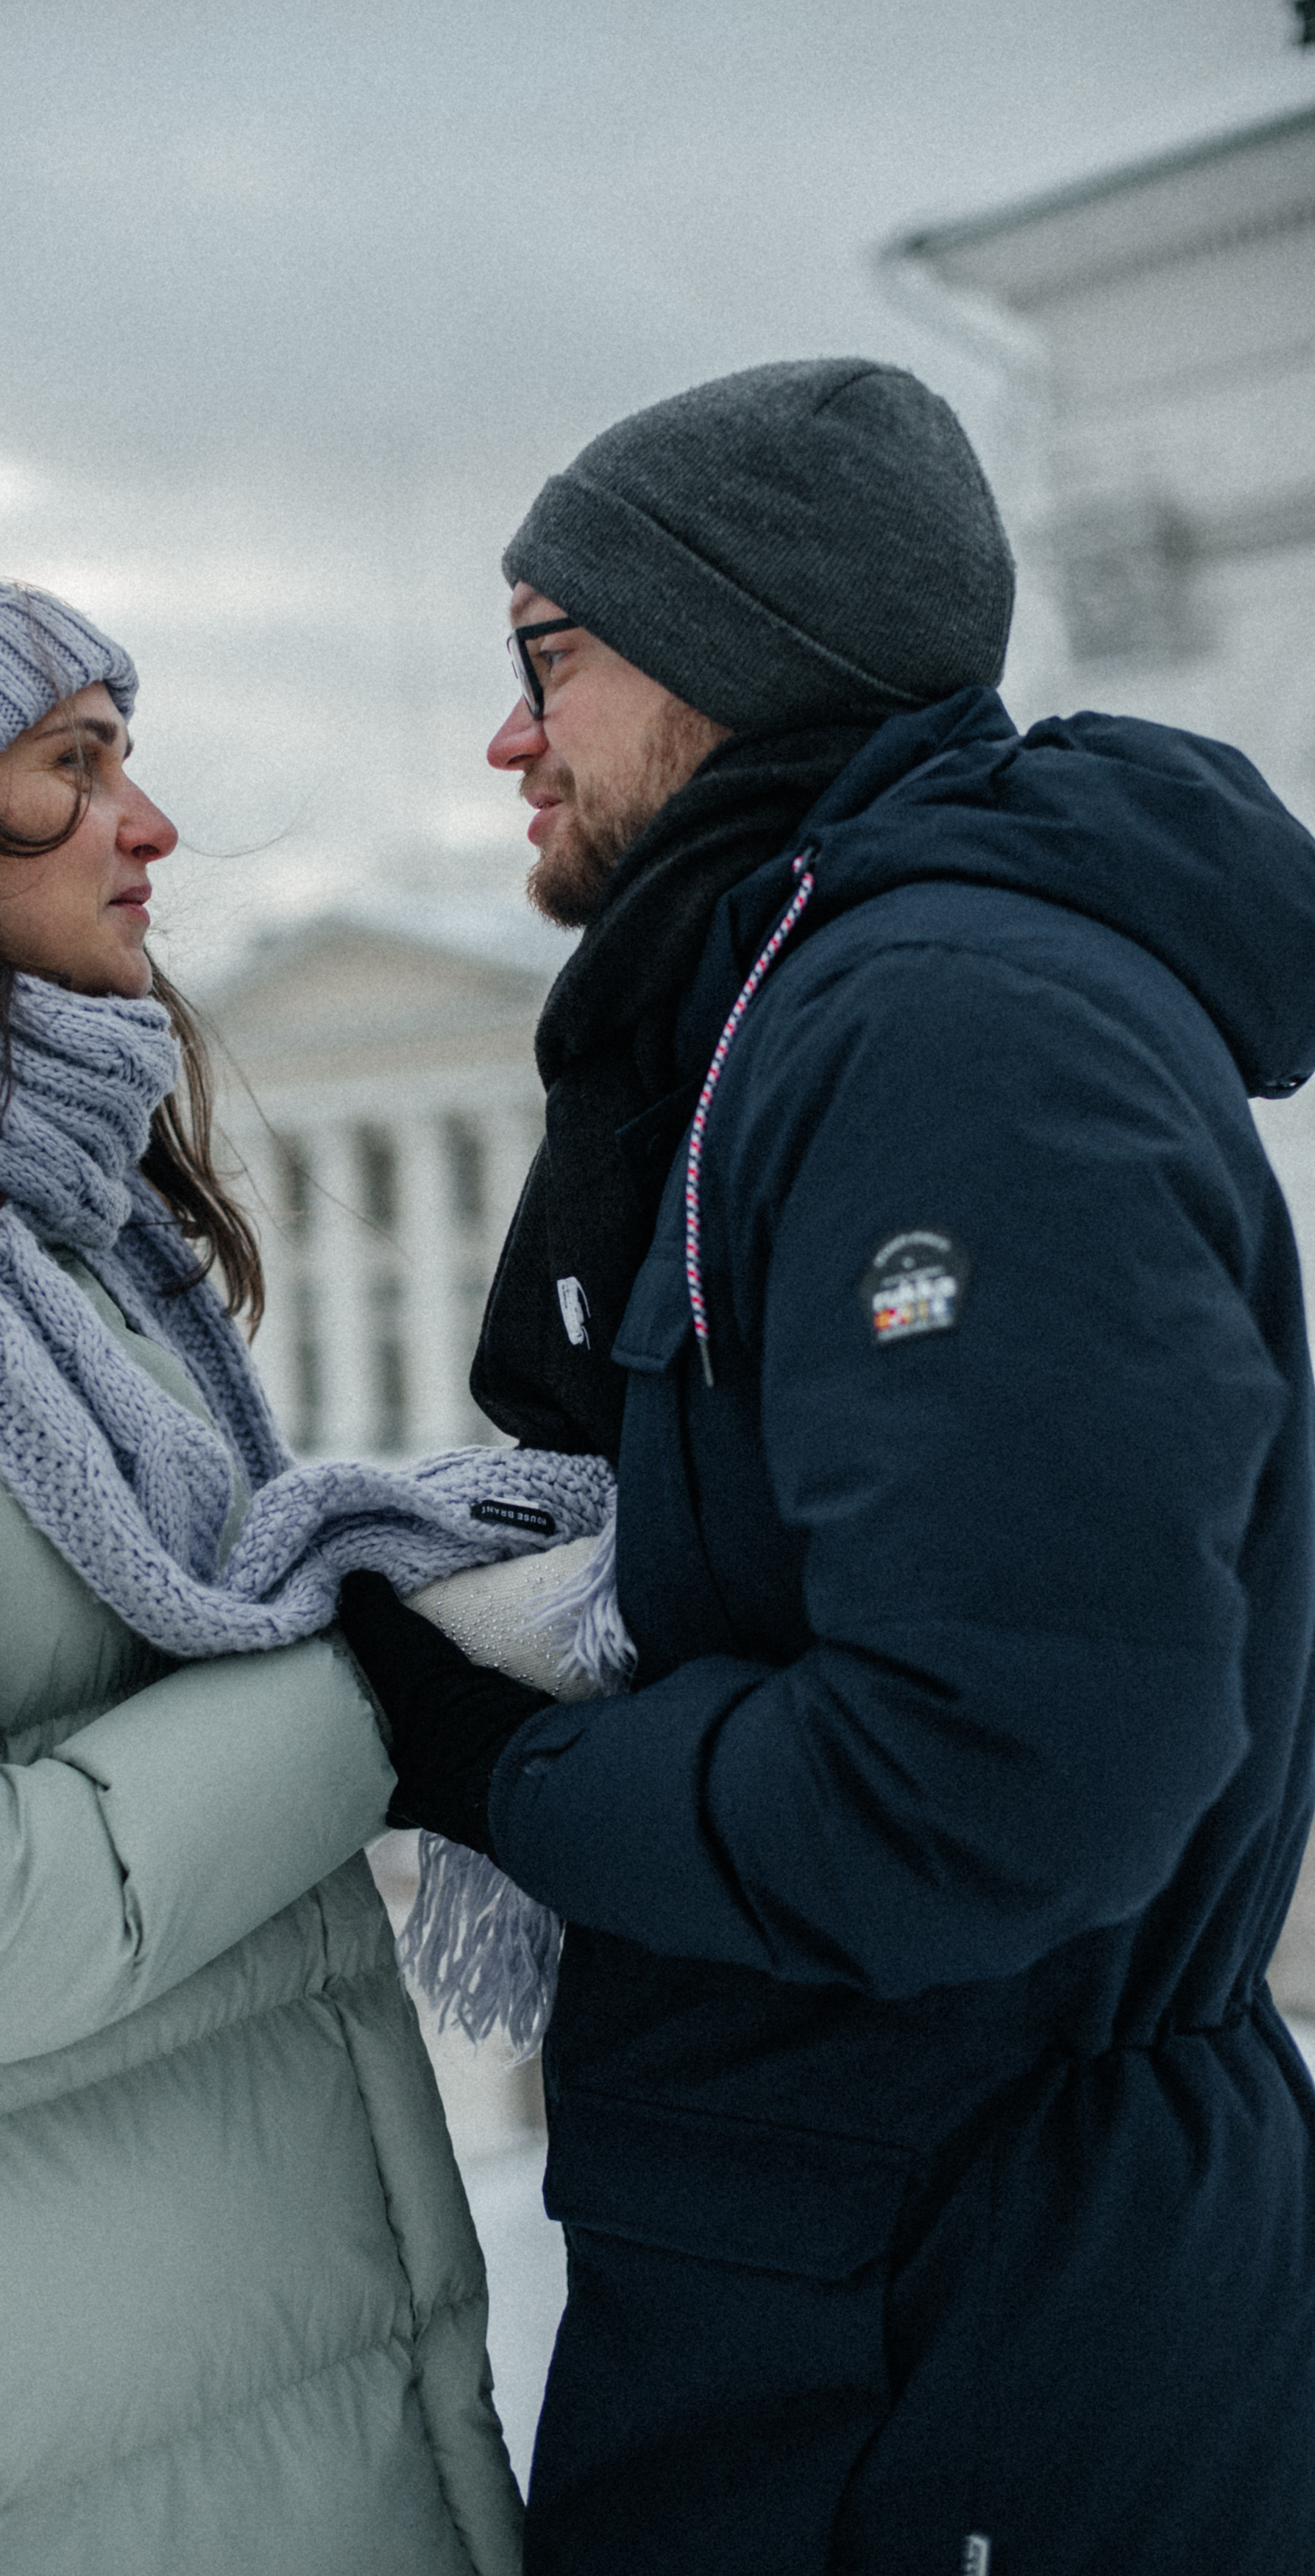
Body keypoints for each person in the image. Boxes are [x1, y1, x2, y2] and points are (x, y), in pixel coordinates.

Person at [336, 360, 1315, 2575]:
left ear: (736, 648)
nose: (509, 735)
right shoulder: (823, 1004)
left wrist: (498, 1771)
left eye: (548, 660)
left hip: (961, 2316)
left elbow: (998, 1766)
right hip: (867, 2266)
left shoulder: (948, 1034)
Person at [0, 512, 609, 2576]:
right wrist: (385, 1665)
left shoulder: (37, 1233)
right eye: (71, 763)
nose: (145, 822)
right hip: (10, 2472)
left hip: (247, 2396)